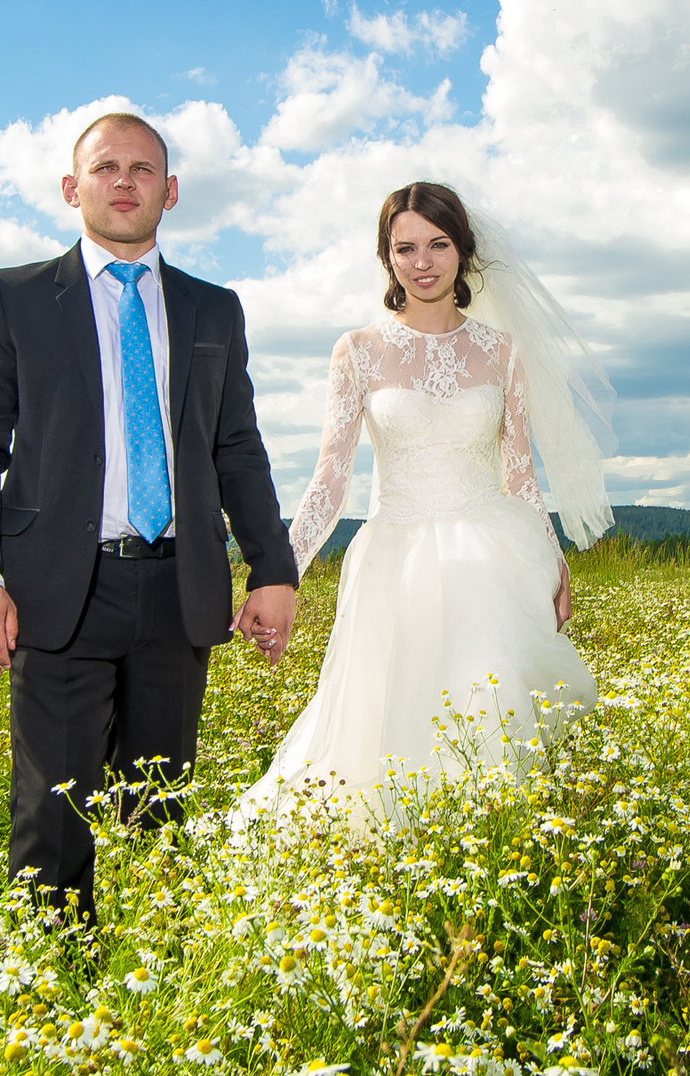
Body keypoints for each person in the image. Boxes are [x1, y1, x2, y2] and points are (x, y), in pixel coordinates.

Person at [0, 111, 301, 922]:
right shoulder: (18, 297)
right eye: (106, 167)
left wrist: (272, 568)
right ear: (74, 188)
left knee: (160, 810)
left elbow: (238, 447)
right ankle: (52, 986)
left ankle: (152, 987)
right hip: (56, 591)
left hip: (179, 590)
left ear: (169, 192)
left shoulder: (215, 310)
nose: (124, 182)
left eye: (143, 170)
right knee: (54, 813)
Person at [234, 180, 615, 829]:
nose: (423, 261)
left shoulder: (503, 351)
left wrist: (554, 561)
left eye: (438, 244)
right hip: (394, 562)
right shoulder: (357, 351)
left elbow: (520, 475)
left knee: (489, 716)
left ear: (463, 251)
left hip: (492, 563)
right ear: (387, 257)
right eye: (405, 247)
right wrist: (279, 571)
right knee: (389, 725)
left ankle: (490, 853)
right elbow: (330, 478)